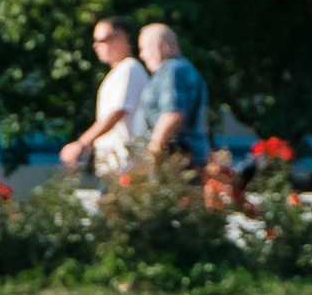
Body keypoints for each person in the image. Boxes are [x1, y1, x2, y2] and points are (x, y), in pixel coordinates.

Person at [60, 17, 143, 176]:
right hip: (118, 166)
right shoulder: (120, 72)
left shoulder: (129, 69)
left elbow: (116, 113)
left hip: (127, 166)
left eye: (102, 40)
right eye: (95, 41)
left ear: (122, 39)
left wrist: (81, 143)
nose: (96, 46)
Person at [136, 20, 210, 172]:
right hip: (186, 157)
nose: (142, 55)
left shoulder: (172, 70)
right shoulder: (183, 69)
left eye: (144, 48)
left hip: (175, 160)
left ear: (161, 46)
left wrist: (154, 151)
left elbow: (173, 113)